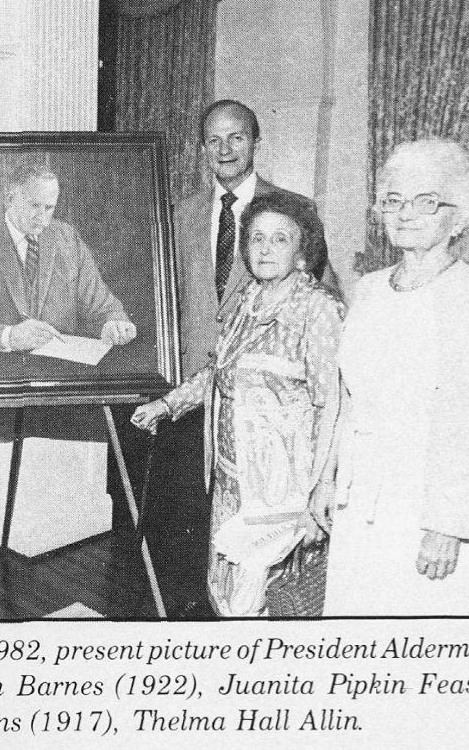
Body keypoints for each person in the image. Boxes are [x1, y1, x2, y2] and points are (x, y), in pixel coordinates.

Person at [316, 139, 469, 616]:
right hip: (361, 500)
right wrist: (327, 478)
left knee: (420, 643)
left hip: (429, 510)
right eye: (393, 201)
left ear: (459, 218)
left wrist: (449, 526)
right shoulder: (370, 289)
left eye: (427, 202)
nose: (405, 214)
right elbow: (350, 399)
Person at [154, 99, 335, 616]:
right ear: (202, 148)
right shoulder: (181, 211)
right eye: (214, 139)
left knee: (271, 565)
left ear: (255, 142)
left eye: (236, 137)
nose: (225, 149)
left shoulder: (293, 210)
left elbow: (320, 310)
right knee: (203, 526)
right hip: (199, 392)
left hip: (275, 426)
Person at [0, 163, 137, 354]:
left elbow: (103, 306)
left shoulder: (67, 238)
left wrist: (114, 323)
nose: (43, 219)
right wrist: (8, 336)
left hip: (62, 371)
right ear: (9, 199)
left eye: (49, 208)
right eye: (34, 206)